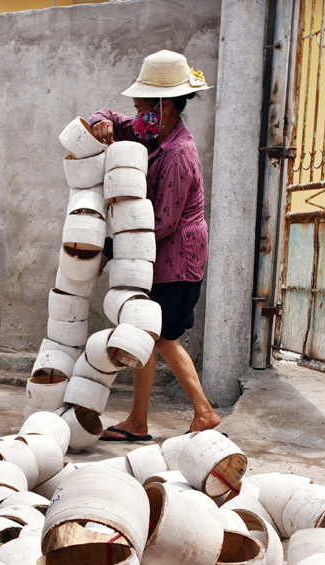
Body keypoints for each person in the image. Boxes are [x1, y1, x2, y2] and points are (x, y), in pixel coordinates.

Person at [89, 49, 221, 441]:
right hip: (153, 257)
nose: (136, 111)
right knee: (142, 332)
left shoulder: (179, 153)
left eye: (142, 104)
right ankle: (138, 421)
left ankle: (205, 412)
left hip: (176, 260)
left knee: (162, 339)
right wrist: (101, 124)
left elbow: (161, 224)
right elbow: (109, 117)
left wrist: (111, 248)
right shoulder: (149, 132)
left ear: (163, 106)